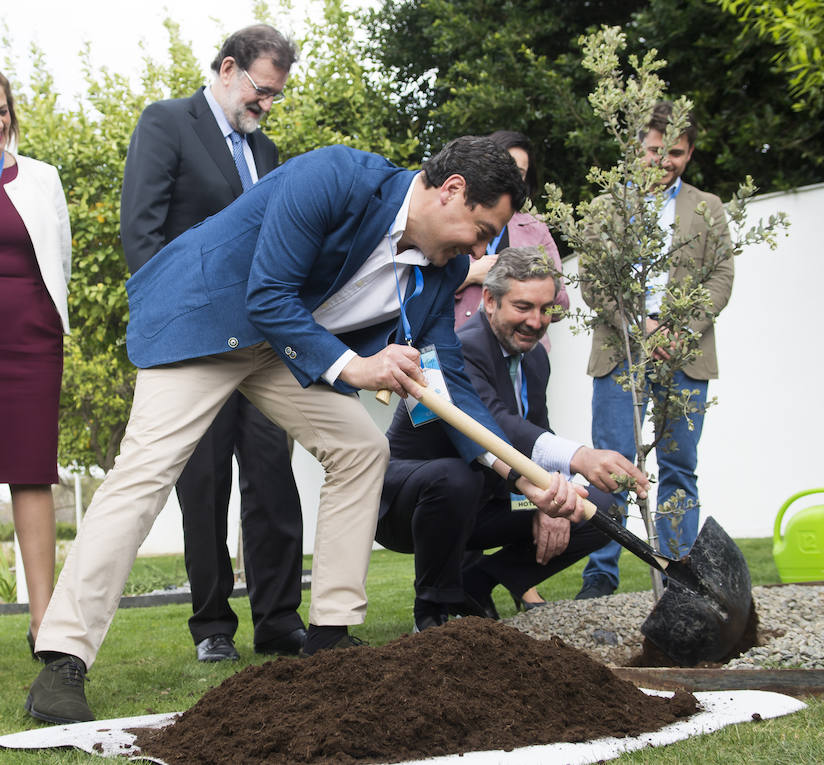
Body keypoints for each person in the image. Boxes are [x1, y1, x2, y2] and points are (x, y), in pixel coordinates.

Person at [26, 136, 589, 725]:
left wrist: (520, 474)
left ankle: (330, 639)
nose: (483, 249)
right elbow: (268, 294)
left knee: (361, 448)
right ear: (451, 191)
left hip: (284, 350)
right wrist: (358, 367)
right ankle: (63, 660)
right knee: (144, 473)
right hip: (203, 322)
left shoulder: (441, 274)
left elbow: (448, 384)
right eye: (481, 229)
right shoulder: (335, 176)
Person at [120, 24, 306, 663]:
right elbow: (142, 240)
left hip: (258, 345)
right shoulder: (167, 123)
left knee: (272, 482)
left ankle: (282, 622)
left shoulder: (270, 153)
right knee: (203, 489)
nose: (267, 105)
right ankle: (213, 630)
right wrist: (171, 328)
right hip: (194, 346)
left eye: (277, 96)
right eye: (262, 90)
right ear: (228, 69)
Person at [377, 247, 649, 632]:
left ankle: (478, 582)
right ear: (489, 300)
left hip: (490, 499)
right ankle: (433, 614)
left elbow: (539, 430)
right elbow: (497, 425)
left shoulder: (536, 359)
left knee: (596, 506)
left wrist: (553, 495)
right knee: (458, 477)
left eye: (545, 309)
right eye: (523, 307)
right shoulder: (461, 348)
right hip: (410, 504)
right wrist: (580, 457)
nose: (536, 321)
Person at [577, 102, 734, 599]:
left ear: (689, 153)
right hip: (620, 351)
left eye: (677, 153)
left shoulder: (708, 207)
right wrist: (638, 326)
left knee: (679, 468)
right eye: (654, 151)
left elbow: (721, 276)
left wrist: (677, 329)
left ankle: (678, 578)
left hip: (683, 355)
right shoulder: (606, 208)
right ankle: (601, 576)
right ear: (635, 149)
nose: (665, 161)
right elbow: (593, 280)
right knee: (612, 464)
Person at [0, 72, 71, 657]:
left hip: (31, 339)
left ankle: (43, 623)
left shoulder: (43, 177)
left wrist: (51, 324)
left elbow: (61, 259)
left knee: (31, 470)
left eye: (1, 110)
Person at [454, 130, 568, 347]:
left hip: (524, 354)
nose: (511, 179)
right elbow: (420, 293)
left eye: (520, 173)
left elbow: (561, 304)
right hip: (463, 348)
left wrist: (528, 287)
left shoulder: (536, 228)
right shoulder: (455, 218)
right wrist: (468, 276)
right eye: (505, 168)